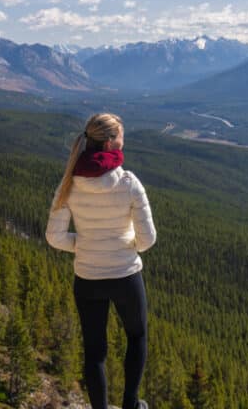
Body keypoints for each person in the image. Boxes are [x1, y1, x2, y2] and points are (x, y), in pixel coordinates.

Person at [45, 113, 157, 409]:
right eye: (121, 138)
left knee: (94, 351)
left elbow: (54, 237)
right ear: (109, 143)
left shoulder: (68, 183)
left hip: (87, 278)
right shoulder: (130, 183)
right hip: (126, 276)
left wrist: (84, 245)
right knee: (137, 336)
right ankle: (131, 403)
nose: (123, 143)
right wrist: (123, 245)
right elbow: (147, 241)